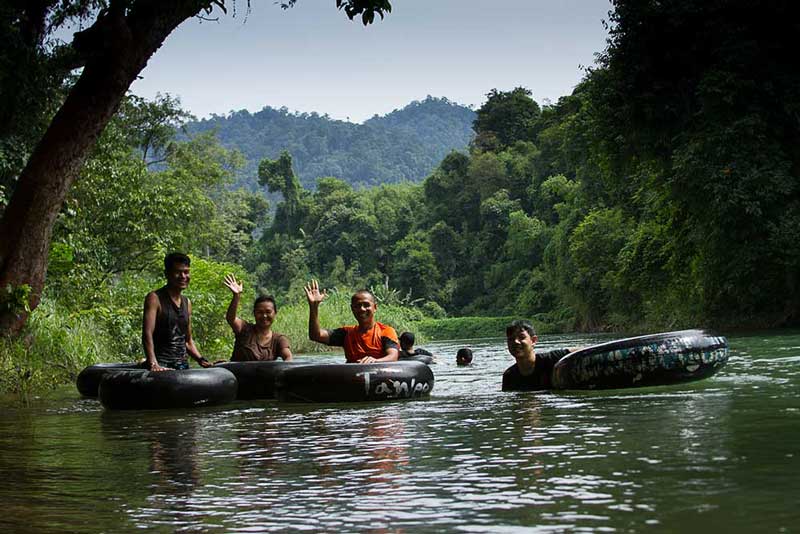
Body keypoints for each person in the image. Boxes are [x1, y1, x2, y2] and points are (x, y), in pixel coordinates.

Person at [142, 253, 212, 372]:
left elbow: (188, 341)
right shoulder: (155, 298)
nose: (183, 276)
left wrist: (202, 360)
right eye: (178, 272)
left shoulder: (187, 302)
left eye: (186, 272)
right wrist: (153, 363)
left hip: (182, 366)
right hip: (162, 365)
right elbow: (147, 334)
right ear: (167, 274)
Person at [305, 279, 399, 363]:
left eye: (366, 305)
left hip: (380, 377)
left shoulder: (386, 331)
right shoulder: (347, 333)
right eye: (357, 306)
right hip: (352, 378)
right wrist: (314, 307)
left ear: (375, 307)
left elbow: (393, 356)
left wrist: (375, 361)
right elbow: (315, 335)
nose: (362, 309)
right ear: (352, 309)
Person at [223, 274, 292, 361]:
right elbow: (230, 318)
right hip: (238, 373)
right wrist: (236, 296)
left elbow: (288, 357)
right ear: (254, 313)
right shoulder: (245, 329)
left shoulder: (279, 339)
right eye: (260, 312)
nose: (264, 316)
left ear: (275, 313)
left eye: (268, 312)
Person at [501, 320, 576, 391]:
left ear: (533, 340)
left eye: (521, 337)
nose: (516, 342)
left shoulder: (551, 359)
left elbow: (582, 352)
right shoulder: (509, 376)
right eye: (511, 339)